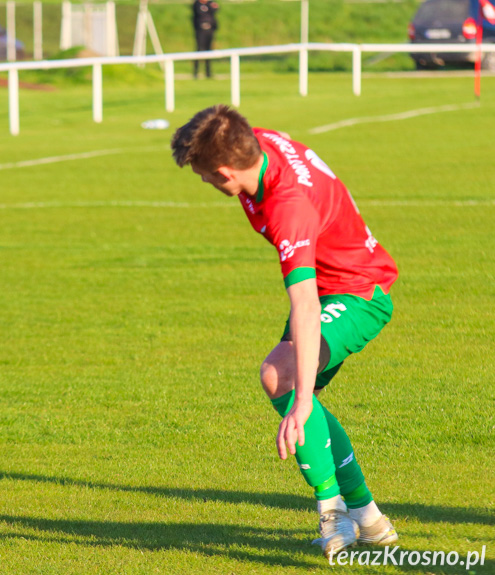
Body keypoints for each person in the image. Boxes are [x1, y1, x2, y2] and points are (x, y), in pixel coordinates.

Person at [170, 105, 399, 558]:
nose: (202, 182)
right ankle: (368, 519)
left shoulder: (287, 207)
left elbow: (305, 302)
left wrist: (300, 399)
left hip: (357, 293)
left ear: (222, 170)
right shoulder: (258, 144)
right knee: (292, 384)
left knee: (284, 378)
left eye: (202, 174)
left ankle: (338, 518)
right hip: (337, 285)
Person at [192, 0, 219, 79]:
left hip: (210, 30)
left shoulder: (210, 3)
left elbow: (215, 10)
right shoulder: (197, 4)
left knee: (209, 51)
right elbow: (199, 14)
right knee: (199, 49)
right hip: (200, 31)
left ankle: (208, 72)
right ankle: (195, 72)